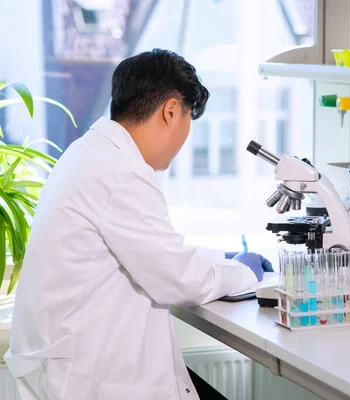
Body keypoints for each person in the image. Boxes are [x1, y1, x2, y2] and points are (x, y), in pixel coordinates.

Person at [5, 49, 272, 400]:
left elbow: (156, 251)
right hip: (92, 378)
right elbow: (179, 279)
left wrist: (222, 255)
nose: (183, 140)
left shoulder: (90, 153)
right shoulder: (119, 173)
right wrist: (245, 272)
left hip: (74, 366)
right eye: (188, 121)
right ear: (171, 111)